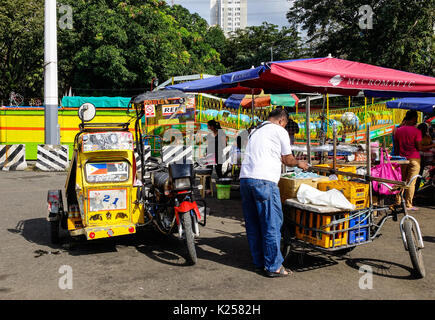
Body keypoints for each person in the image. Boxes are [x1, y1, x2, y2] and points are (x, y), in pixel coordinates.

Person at [239, 108, 309, 277]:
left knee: (254, 224)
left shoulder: (256, 130)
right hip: (264, 182)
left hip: (245, 180)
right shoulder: (279, 130)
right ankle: (274, 267)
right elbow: (287, 158)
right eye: (285, 124)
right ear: (281, 121)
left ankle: (259, 262)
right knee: (271, 224)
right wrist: (300, 163)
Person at [393, 110, 423, 210]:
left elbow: (396, 147)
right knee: (411, 182)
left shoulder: (398, 130)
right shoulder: (417, 131)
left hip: (402, 159)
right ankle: (408, 204)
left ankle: (397, 201)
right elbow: (419, 147)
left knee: (401, 181)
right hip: (414, 159)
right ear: (414, 118)